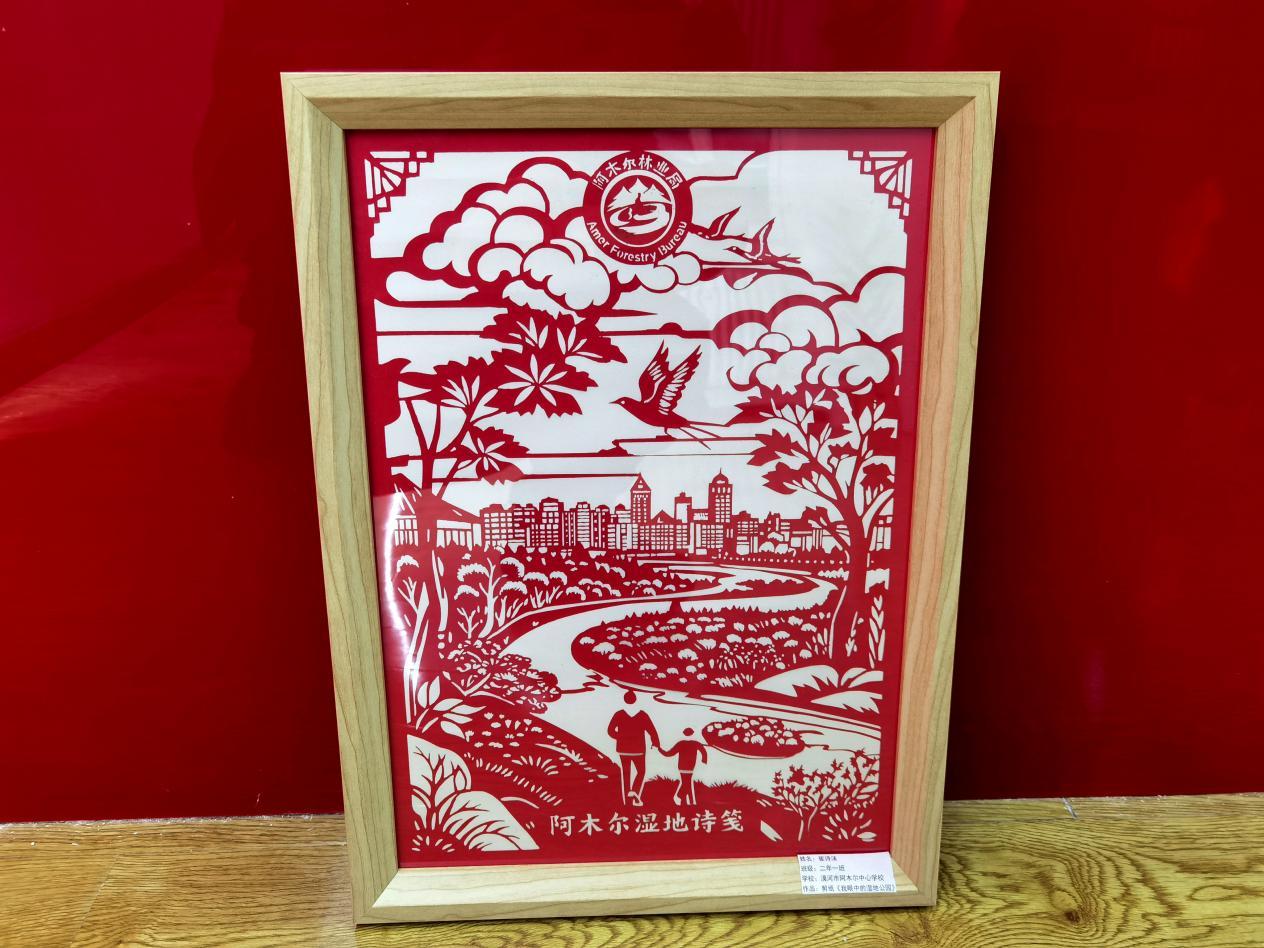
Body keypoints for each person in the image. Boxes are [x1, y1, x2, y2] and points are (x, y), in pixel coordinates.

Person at [607, 690, 659, 806]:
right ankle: (635, 791)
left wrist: (621, 737)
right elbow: (652, 731)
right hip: (638, 750)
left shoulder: (619, 714)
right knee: (641, 771)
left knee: (626, 774)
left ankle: (627, 803)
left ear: (624, 700)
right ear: (635, 700)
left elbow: (610, 731)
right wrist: (655, 743)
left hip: (623, 750)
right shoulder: (643, 715)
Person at [661, 727, 708, 805]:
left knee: (686, 784)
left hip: (682, 767)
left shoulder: (681, 743)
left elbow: (669, 753)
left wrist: (660, 749)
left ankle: (686, 802)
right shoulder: (695, 743)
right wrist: (704, 760)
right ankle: (680, 796)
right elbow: (703, 752)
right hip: (689, 767)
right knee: (687, 784)